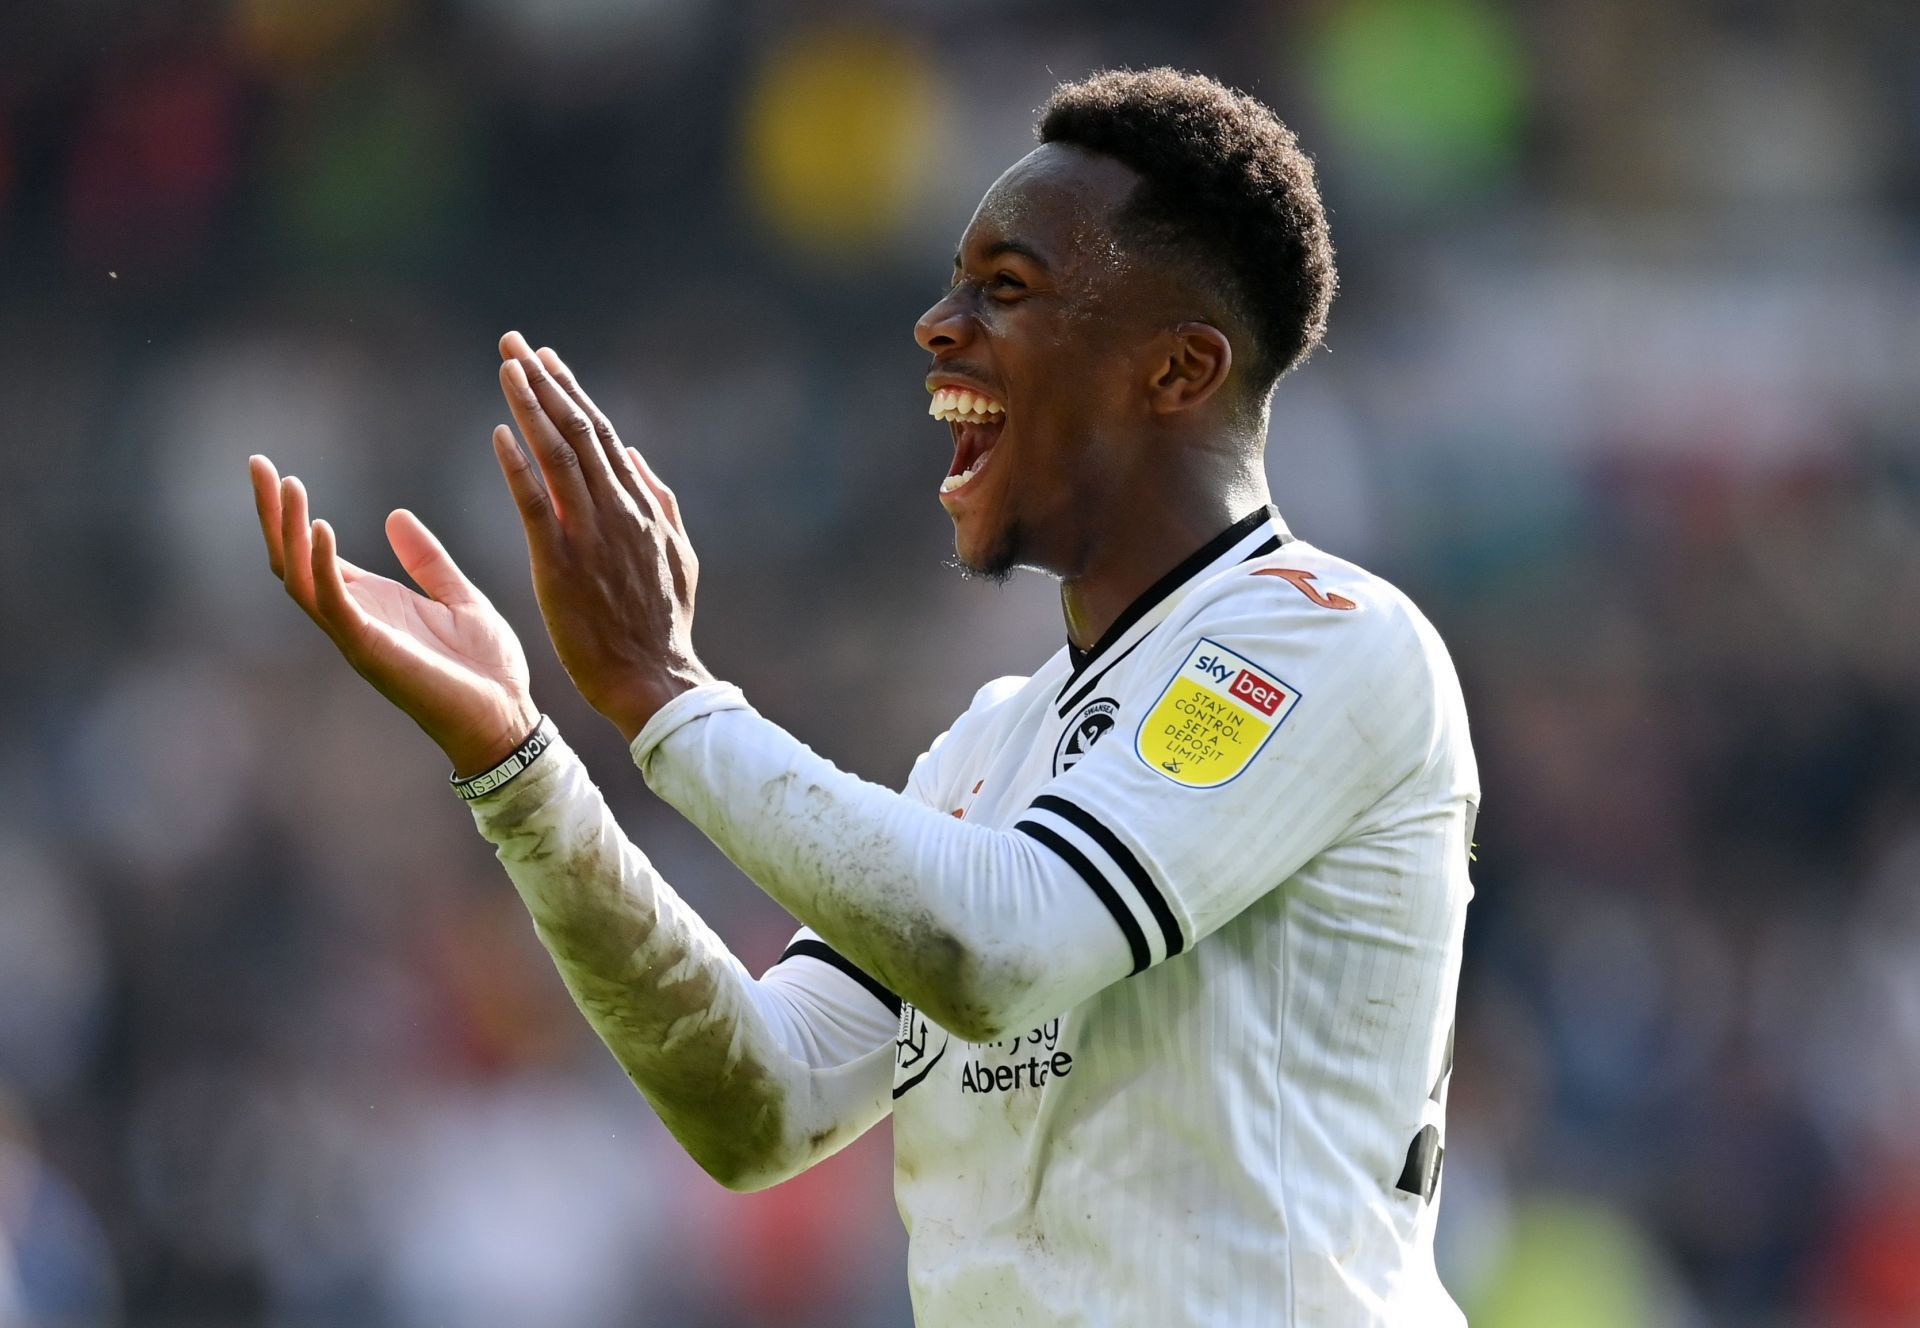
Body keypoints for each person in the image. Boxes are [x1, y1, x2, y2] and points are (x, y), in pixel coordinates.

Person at [249, 67, 1477, 1328]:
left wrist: (670, 696)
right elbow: (760, 1103)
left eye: (1007, 288)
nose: (938, 326)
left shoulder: (1329, 643)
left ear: (1177, 369)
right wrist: (519, 764)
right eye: (955, 281)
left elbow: (1004, 950)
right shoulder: (991, 748)